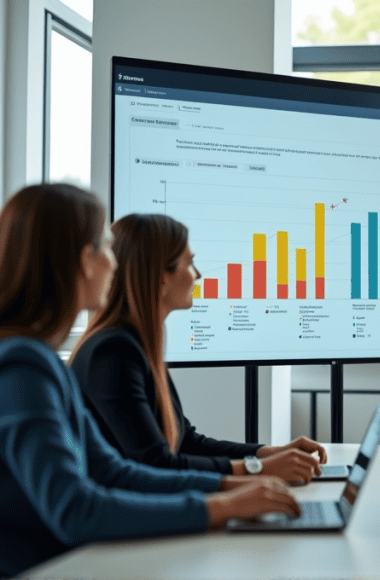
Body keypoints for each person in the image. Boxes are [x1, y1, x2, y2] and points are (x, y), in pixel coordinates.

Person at [0, 184, 300, 578]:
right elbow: (77, 510)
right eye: (106, 248)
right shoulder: (23, 368)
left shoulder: (41, 363)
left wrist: (232, 489)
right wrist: (223, 505)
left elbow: (114, 472)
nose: (114, 262)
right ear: (87, 261)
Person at [70, 214, 326, 484]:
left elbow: (186, 441)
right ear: (161, 278)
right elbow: (156, 464)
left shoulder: (135, 344)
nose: (199, 275)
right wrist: (258, 470)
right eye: (189, 264)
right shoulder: (113, 353)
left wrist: (269, 453)